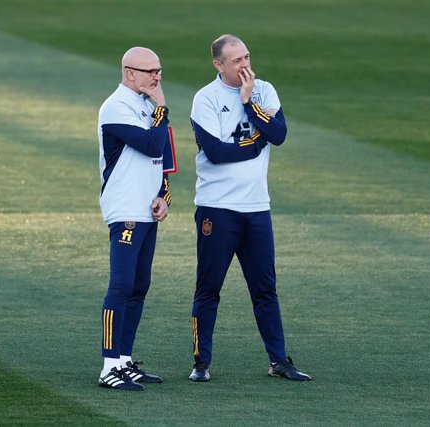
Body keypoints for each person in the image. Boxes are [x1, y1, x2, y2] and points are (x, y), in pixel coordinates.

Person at [188, 34, 311, 382]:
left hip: (257, 208)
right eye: (237, 60)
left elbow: (280, 133)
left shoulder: (263, 90)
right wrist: (255, 143)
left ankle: (278, 361)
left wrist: (248, 104)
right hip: (217, 208)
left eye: (246, 57)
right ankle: (201, 363)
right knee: (209, 287)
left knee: (265, 289)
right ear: (218, 64)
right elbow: (216, 152)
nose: (246, 65)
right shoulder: (205, 99)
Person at [96, 47, 172, 391]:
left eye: (159, 71)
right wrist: (163, 108)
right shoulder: (116, 107)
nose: (157, 77)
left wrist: (164, 196)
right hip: (125, 209)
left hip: (147, 209)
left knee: (140, 286)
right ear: (130, 73)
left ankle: (125, 360)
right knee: (122, 285)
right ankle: (109, 365)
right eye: (150, 71)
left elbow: (163, 160)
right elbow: (152, 145)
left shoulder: (145, 105)